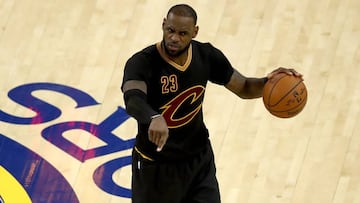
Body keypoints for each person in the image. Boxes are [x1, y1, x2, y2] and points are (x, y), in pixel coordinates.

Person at [121, 4, 302, 203]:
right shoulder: (142, 62)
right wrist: (153, 117)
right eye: (170, 30)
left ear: (195, 32)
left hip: (198, 160)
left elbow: (243, 87)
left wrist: (270, 83)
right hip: (156, 167)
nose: (174, 38)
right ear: (164, 24)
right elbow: (133, 99)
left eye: (183, 33)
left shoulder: (206, 56)